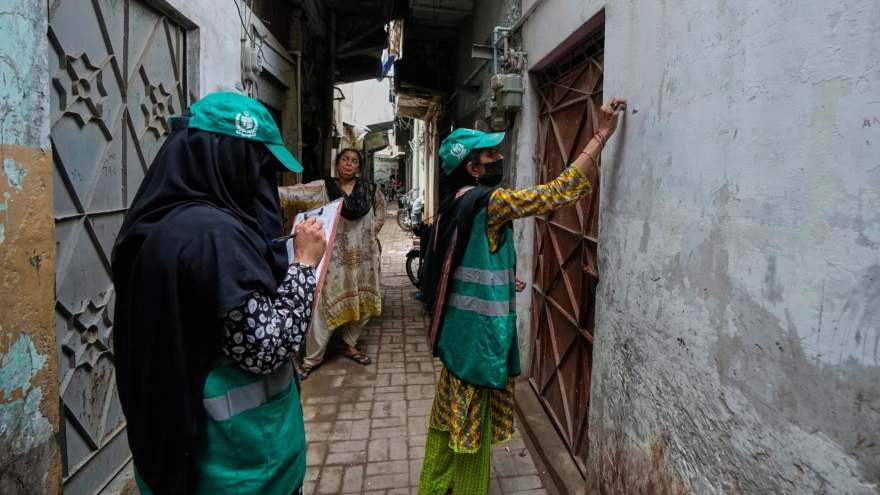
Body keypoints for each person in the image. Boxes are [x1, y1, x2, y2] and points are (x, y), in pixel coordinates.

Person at [111, 92, 326, 494]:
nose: (263, 186)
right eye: (260, 170)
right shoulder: (215, 236)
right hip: (241, 468)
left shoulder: (157, 222)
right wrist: (304, 265)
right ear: (228, 162)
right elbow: (266, 346)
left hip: (179, 455)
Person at [418, 98, 627, 494]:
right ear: (472, 168)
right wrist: (600, 135)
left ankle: (433, 486)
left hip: (457, 341)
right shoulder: (489, 203)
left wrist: (499, 280)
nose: (498, 158)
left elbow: (460, 266)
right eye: (490, 154)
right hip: (477, 346)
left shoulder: (456, 204)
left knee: (447, 421)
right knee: (470, 436)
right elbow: (557, 193)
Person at [279, 148, 386, 376]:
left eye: (354, 161)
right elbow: (292, 194)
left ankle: (350, 345)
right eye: (345, 160)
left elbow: (382, 210)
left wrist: (371, 232)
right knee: (322, 306)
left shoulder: (369, 190)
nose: (349, 164)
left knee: (364, 304)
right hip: (335, 262)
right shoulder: (322, 188)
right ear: (337, 164)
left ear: (359, 166)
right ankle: (312, 359)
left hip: (364, 261)